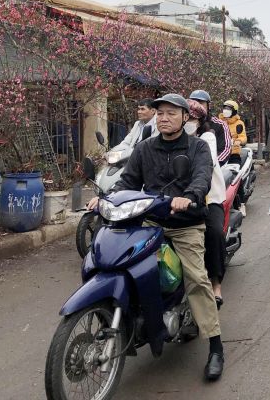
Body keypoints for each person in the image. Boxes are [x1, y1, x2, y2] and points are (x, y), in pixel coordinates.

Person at [87, 93, 225, 381]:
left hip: (185, 223)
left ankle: (215, 346)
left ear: (185, 117)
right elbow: (128, 182)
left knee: (197, 278)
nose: (163, 117)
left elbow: (202, 176)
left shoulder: (198, 147)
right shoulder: (145, 148)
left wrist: (189, 197)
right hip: (149, 220)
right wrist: (106, 199)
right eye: (160, 112)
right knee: (122, 261)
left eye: (171, 113)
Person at [193, 103, 228, 310]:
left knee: (214, 233)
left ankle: (215, 284)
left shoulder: (207, 137)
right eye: (161, 114)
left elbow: (206, 165)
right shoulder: (156, 140)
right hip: (171, 199)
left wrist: (194, 191)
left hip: (207, 196)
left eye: (192, 118)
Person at [188, 90, 232, 164]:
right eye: (193, 102)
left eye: (201, 102)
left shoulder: (219, 124)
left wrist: (211, 164)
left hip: (214, 167)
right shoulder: (182, 124)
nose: (196, 106)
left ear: (209, 106)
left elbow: (226, 150)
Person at [219, 100, 247, 166]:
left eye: (228, 109)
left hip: (233, 152)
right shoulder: (219, 122)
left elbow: (243, 136)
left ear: (234, 111)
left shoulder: (239, 123)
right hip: (220, 153)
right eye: (225, 108)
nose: (225, 110)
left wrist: (238, 141)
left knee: (234, 170)